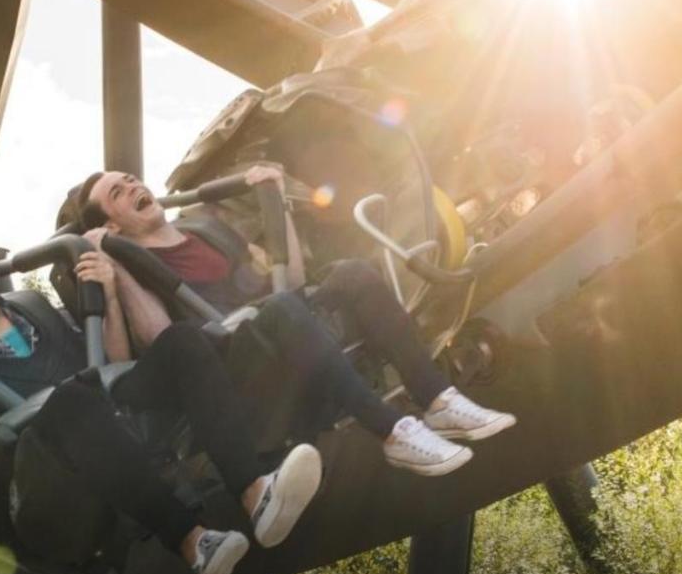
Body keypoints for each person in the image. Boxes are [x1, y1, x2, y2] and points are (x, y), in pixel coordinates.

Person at [0, 214, 322, 574]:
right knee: (70, 398)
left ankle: (255, 494)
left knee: (181, 341)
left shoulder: (34, 312)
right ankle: (193, 543)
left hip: (107, 438)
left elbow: (113, 365)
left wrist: (109, 294)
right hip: (40, 490)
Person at [73, 168, 517, 476]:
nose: (132, 186)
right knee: (282, 309)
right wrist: (118, 265)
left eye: (130, 179)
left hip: (287, 325)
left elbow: (294, 281)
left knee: (351, 272)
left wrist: (277, 201)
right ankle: (392, 431)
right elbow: (160, 341)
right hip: (237, 364)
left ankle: (438, 398)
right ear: (112, 223)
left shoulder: (207, 229)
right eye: (117, 193)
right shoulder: (139, 265)